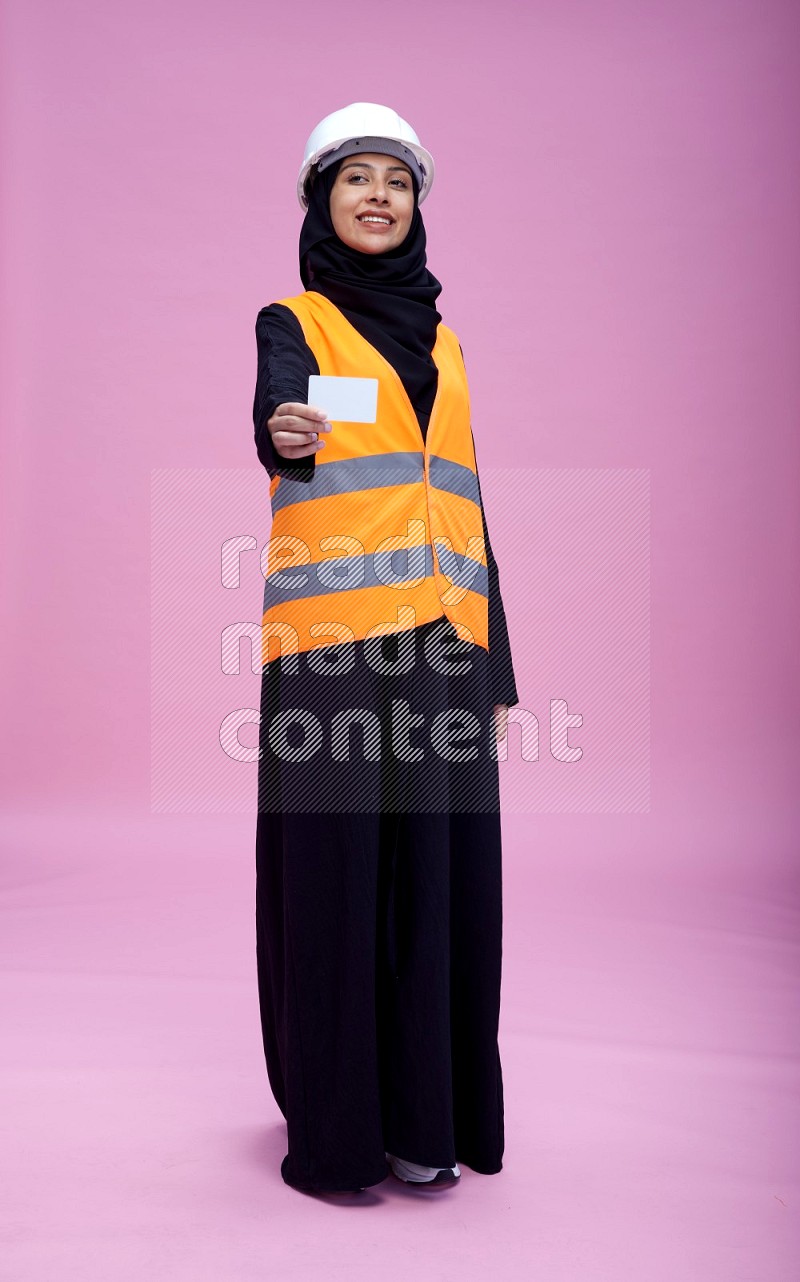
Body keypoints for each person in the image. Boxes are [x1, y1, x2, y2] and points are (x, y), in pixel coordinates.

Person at [251, 103, 519, 1196]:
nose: (376, 196)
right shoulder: (294, 321)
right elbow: (275, 408)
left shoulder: (448, 342)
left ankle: (425, 1122)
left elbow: (465, 501)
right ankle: (338, 1135)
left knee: (444, 881)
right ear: (321, 199)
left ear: (415, 206)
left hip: (446, 646)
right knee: (336, 880)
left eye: (396, 182)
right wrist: (280, 429)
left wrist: (499, 664)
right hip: (330, 652)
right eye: (355, 178)